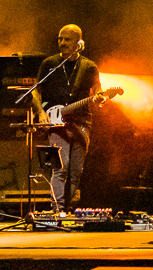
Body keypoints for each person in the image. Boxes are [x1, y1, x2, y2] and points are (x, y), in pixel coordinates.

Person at [34, 24, 102, 212]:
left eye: (67, 39)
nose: (62, 42)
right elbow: (35, 91)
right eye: (60, 39)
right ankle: (58, 210)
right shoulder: (49, 64)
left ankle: (67, 207)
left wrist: (101, 98)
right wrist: (40, 112)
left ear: (79, 43)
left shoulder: (89, 67)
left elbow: (98, 90)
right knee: (60, 169)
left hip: (81, 123)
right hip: (56, 124)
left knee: (76, 172)